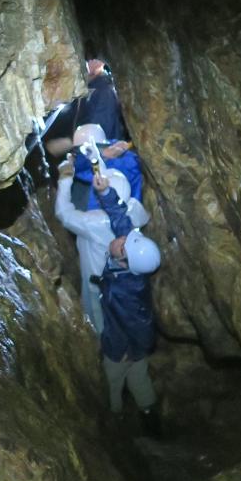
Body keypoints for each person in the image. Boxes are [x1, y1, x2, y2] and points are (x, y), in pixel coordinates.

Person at [94, 171, 162, 434]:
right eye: (125, 240)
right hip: (133, 344)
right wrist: (105, 192)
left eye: (122, 247)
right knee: (139, 377)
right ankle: (149, 414)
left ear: (124, 262)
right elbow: (121, 219)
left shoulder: (126, 292)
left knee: (113, 380)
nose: (120, 241)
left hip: (121, 345)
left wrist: (128, 351)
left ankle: (116, 422)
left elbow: (140, 323)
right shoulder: (130, 256)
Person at [53, 151, 132, 334]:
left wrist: (65, 178)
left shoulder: (95, 222)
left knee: (98, 320)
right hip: (119, 281)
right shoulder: (129, 212)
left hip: (96, 281)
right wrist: (94, 155)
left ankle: (104, 353)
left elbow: (63, 213)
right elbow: (112, 197)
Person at [46, 58, 130, 160]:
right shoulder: (86, 89)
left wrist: (69, 143)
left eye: (90, 59)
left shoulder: (104, 92)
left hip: (104, 161)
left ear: (100, 63)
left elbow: (99, 134)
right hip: (87, 156)